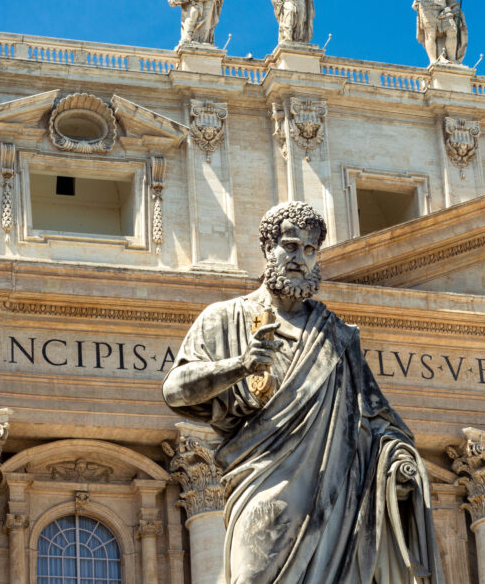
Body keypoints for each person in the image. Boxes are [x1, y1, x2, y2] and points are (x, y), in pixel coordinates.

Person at [162, 201, 443, 584]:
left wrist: (398, 461)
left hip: (336, 494)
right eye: (291, 246)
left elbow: (377, 420)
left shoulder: (339, 336)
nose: (300, 258)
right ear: (267, 249)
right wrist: (241, 365)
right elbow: (175, 390)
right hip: (263, 480)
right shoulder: (225, 317)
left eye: (310, 250)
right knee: (251, 576)